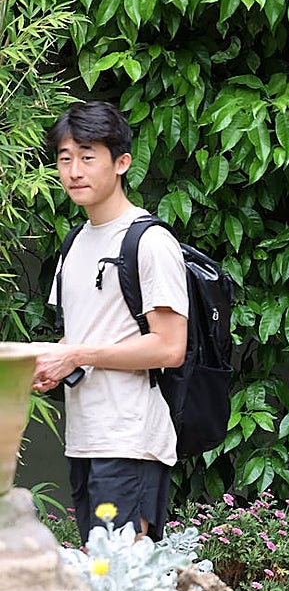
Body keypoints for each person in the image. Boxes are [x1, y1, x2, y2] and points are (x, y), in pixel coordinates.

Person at [32, 101, 188, 545]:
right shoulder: (75, 242)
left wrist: (77, 354)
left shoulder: (150, 241)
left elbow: (169, 347)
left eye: (87, 155)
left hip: (130, 437)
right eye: (65, 158)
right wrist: (48, 364)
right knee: (102, 573)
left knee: (124, 572)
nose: (74, 170)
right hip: (85, 437)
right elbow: (82, 335)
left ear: (121, 162)